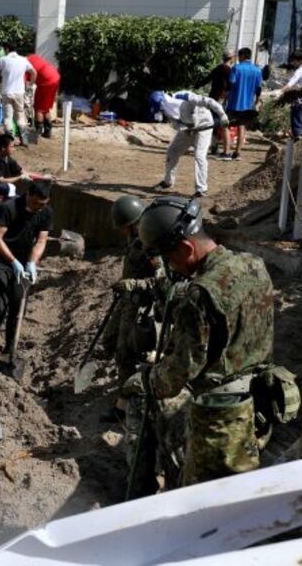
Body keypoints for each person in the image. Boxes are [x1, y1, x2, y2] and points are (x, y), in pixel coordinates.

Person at [126, 196, 277, 487]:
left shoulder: (199, 297)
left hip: (220, 421)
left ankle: (138, 497)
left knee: (141, 397)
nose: (171, 268)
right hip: (261, 404)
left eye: (169, 259)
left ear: (185, 248)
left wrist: (142, 379)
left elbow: (172, 378)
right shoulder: (255, 265)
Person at [102, 196, 162, 423]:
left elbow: (162, 281)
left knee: (125, 353)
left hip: (142, 306)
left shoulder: (152, 245)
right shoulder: (136, 240)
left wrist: (134, 285)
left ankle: (124, 406)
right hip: (127, 301)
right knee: (110, 341)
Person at [0, 180, 53, 375]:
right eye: (37, 203)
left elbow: (41, 240)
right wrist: (12, 261)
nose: (39, 208)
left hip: (23, 263)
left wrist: (32, 262)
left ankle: (9, 351)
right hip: (0, 260)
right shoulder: (9, 208)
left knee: (17, 306)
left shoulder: (45, 212)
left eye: (44, 204)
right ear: (29, 195)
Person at [153, 92, 228, 198]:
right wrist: (182, 127)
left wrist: (222, 114)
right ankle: (167, 181)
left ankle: (201, 190)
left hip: (204, 125)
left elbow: (209, 101)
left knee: (199, 155)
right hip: (187, 128)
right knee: (172, 151)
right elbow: (175, 121)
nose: (163, 108)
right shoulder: (164, 108)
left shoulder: (185, 96)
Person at [0, 43, 36, 142]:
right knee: (20, 115)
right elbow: (34, 72)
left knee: (8, 117)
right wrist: (29, 85)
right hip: (19, 93)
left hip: (7, 93)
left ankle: (9, 140)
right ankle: (24, 139)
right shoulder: (23, 60)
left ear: (7, 49)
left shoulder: (3, 60)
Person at [224, 47, 263, 161]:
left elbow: (230, 84)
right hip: (247, 104)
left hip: (233, 103)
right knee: (242, 127)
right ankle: (237, 153)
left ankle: (226, 152)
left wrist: (225, 97)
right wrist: (257, 100)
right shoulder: (257, 70)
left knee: (226, 124)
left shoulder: (236, 68)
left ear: (241, 56)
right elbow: (259, 88)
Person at [198, 49, 234, 154]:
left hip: (212, 97)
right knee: (221, 121)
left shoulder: (217, 68)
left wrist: (197, 85)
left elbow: (206, 80)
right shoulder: (228, 70)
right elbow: (228, 85)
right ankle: (218, 147)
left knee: (212, 121)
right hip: (221, 98)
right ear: (231, 58)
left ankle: (213, 145)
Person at [27, 54, 60, 138]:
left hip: (46, 82)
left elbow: (26, 82)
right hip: (55, 76)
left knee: (39, 108)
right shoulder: (33, 57)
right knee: (45, 107)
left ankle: (37, 133)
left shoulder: (24, 65)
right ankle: (47, 132)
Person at [277, 51, 302, 143]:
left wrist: (280, 91)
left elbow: (290, 84)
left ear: (299, 60)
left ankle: (298, 140)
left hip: (299, 99)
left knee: (296, 120)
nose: (293, 63)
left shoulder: (299, 71)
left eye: (294, 61)